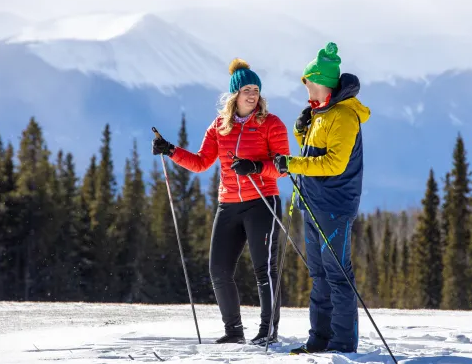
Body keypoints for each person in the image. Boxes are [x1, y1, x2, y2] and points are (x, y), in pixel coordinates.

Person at [152, 58, 290, 346]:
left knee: (264, 269)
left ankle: (268, 331)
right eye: (246, 90)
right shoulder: (219, 126)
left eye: (256, 89)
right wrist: (171, 150)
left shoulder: (271, 124)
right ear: (234, 94)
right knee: (219, 269)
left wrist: (254, 167)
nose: (252, 95)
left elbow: (283, 166)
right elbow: (202, 162)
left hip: (262, 202)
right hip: (229, 204)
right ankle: (234, 330)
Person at [273, 42, 371, 354]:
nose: (307, 89)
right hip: (313, 204)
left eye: (309, 83)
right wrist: (301, 132)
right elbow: (313, 151)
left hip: (335, 207)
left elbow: (333, 164)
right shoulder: (321, 113)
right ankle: (319, 340)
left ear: (323, 84)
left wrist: (290, 164)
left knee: (337, 274)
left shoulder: (342, 116)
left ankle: (342, 344)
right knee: (319, 275)